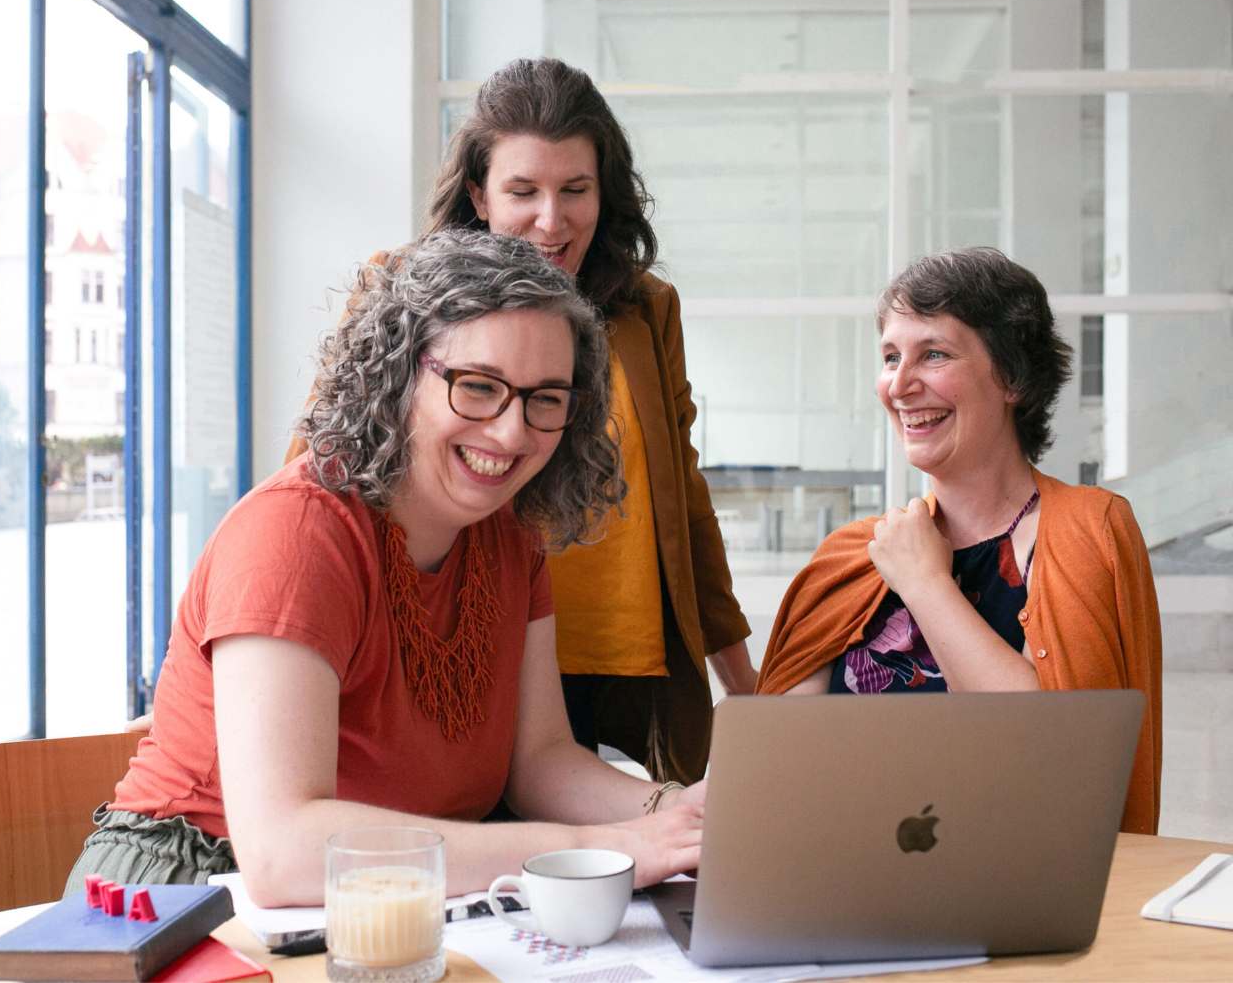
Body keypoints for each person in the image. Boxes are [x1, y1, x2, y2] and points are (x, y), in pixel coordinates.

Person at [67, 230, 706, 906]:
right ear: (398, 374)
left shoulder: (512, 535)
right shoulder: (297, 534)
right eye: (479, 386)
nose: (513, 432)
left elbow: (539, 761)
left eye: (545, 398)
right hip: (191, 899)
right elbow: (284, 852)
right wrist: (592, 850)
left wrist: (677, 813)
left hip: (391, 894)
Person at [290, 57, 753, 786]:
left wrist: (744, 682)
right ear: (478, 192)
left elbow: (683, 500)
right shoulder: (406, 289)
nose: (551, 219)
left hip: (620, 652)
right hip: (459, 641)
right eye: (522, 191)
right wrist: (229, 661)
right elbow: (318, 472)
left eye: (576, 190)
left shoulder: (644, 308)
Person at [755, 247, 1162, 834]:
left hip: (1025, 896)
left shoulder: (1086, 529)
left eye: (935, 354)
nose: (899, 385)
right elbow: (774, 771)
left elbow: (1053, 755)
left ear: (1013, 378)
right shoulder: (855, 555)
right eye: (891, 356)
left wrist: (925, 584)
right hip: (848, 880)